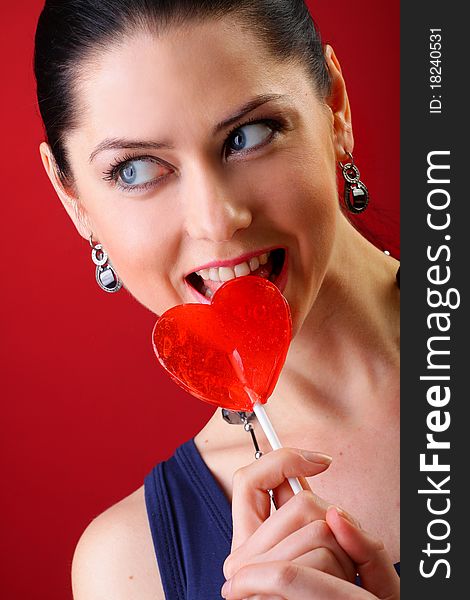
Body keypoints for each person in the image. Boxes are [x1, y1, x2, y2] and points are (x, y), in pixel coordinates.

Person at [34, 0, 400, 598]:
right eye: (135, 170)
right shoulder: (131, 568)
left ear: (335, 108)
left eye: (248, 135)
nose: (218, 220)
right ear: (72, 196)